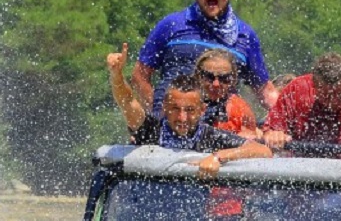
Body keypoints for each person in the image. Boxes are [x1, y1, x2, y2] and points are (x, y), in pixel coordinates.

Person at [132, 0, 277, 116]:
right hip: (169, 128)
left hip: (220, 130)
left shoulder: (245, 36)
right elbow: (139, 76)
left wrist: (291, 117)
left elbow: (265, 92)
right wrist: (157, 113)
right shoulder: (171, 25)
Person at [107, 44, 271, 176]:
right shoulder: (151, 130)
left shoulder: (209, 136)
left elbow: (262, 151)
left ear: (202, 110)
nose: (182, 118)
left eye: (190, 110)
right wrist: (116, 76)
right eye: (175, 109)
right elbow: (127, 101)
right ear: (164, 107)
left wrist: (217, 157)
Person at [195, 48, 260, 138]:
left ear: (233, 80)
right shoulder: (182, 103)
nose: (216, 84)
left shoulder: (241, 110)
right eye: (209, 77)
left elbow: (252, 142)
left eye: (224, 78)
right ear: (198, 76)